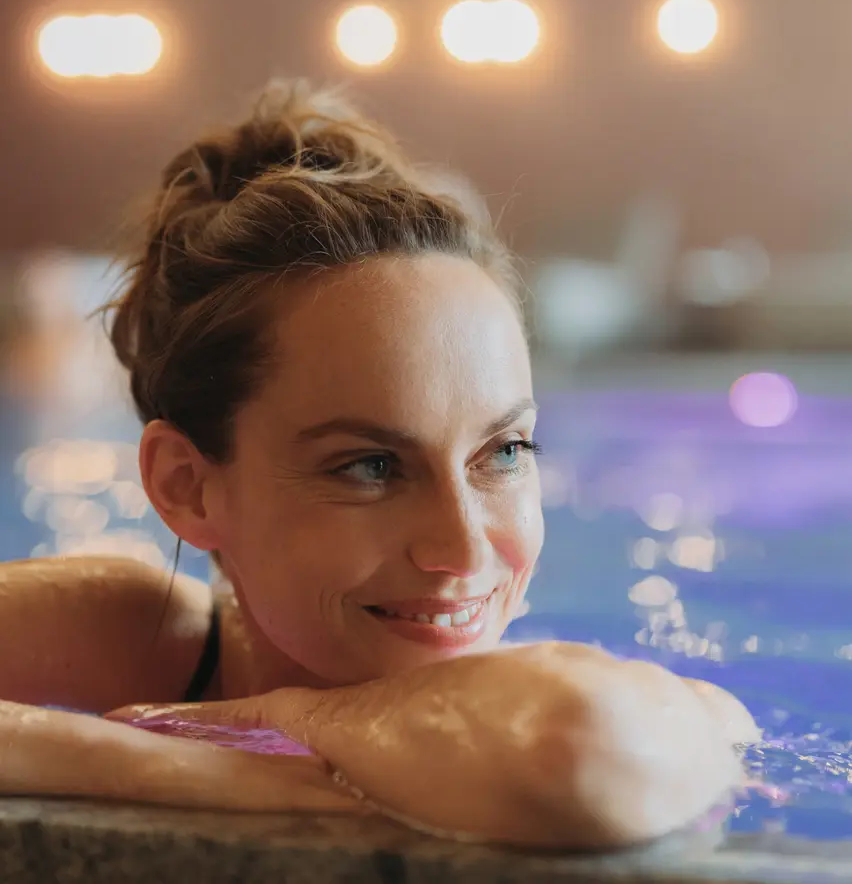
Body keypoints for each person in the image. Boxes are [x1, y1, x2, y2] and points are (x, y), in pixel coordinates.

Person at [0, 80, 758, 848]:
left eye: (504, 452)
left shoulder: (661, 718)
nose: (464, 550)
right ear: (186, 486)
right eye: (369, 467)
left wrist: (290, 722)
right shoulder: (145, 635)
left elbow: (582, 757)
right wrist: (181, 768)